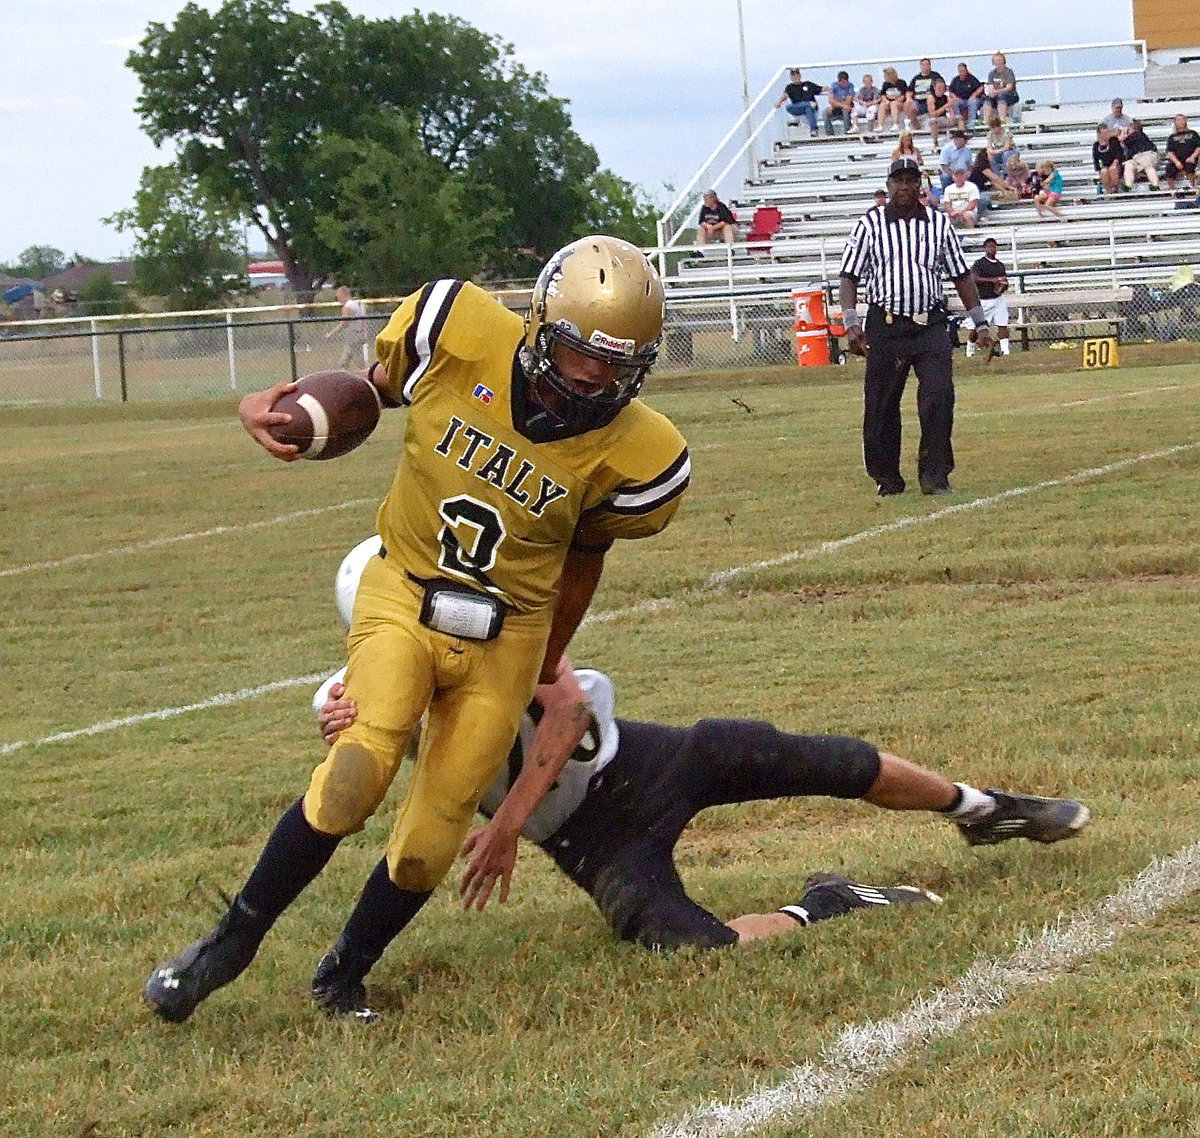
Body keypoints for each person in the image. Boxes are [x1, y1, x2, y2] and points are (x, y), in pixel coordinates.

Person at [142, 235, 692, 1024]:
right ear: (542, 324)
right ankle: (226, 945)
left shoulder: (643, 454)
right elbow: (370, 393)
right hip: (404, 589)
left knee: (431, 842)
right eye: (582, 354)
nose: (596, 378)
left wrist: (548, 657)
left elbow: (587, 553)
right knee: (355, 774)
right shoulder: (456, 327)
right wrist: (290, 408)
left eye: (618, 365)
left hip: (507, 635)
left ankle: (343, 975)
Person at [311, 539, 1089, 1012]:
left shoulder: (494, 622)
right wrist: (348, 738)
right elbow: (371, 786)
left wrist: (507, 825)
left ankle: (982, 808)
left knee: (830, 761)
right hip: (592, 843)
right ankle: (827, 902)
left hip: (647, 760)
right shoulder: (360, 695)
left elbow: (569, 711)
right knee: (692, 947)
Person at [839, 157, 992, 497]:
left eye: (911, 180)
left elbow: (960, 275)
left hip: (929, 323)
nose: (905, 187)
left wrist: (980, 321)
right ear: (889, 185)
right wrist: (851, 321)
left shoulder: (938, 224)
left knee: (939, 396)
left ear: (920, 185)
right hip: (885, 323)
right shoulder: (869, 224)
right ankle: (887, 478)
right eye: (898, 181)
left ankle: (935, 475)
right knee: (881, 404)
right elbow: (849, 275)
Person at [968, 237, 1012, 357]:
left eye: (994, 247)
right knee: (976, 328)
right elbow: (974, 278)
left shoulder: (999, 265)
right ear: (985, 249)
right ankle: (970, 350)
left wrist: (1002, 286)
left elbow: (1004, 281)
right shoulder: (979, 263)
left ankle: (1005, 351)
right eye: (989, 247)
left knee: (1002, 325)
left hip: (998, 299)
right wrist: (992, 280)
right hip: (984, 300)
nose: (992, 249)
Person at [324, 285, 368, 369]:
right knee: (344, 360)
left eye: (338, 296)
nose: (338, 299)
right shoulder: (356, 304)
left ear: (343, 295)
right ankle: (342, 370)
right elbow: (362, 321)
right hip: (356, 334)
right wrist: (364, 332)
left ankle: (368, 373)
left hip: (353, 336)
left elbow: (344, 324)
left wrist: (331, 334)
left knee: (359, 361)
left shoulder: (347, 307)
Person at [775, 68, 825, 135]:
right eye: (793, 76)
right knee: (788, 107)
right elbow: (785, 96)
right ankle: (808, 104)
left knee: (808, 108)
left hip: (810, 108)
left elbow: (821, 89)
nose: (795, 77)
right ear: (791, 77)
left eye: (797, 75)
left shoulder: (808, 84)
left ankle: (814, 130)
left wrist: (831, 90)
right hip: (798, 107)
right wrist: (779, 102)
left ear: (800, 75)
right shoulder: (789, 87)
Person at [1164, 114, 1200, 192]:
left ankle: (1192, 186)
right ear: (1175, 122)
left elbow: (1198, 147)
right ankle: (1172, 190)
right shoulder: (1172, 137)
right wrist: (1176, 162)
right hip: (1178, 160)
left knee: (1190, 165)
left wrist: (1193, 157)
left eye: (1182, 119)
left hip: (1191, 158)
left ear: (1185, 121)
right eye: (1178, 120)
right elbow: (1170, 152)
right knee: (1169, 168)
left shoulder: (1193, 133)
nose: (1180, 121)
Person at [1121, 120, 1160, 191]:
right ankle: (1128, 186)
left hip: (1146, 154)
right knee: (1129, 165)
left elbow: (1125, 141)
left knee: (1147, 165)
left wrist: (1122, 136)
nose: (1128, 131)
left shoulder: (1138, 134)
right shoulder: (1132, 140)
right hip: (1136, 158)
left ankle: (1155, 185)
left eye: (1129, 130)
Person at [906, 58, 945, 127]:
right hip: (919, 101)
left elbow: (942, 87)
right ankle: (916, 127)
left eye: (927, 64)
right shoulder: (916, 78)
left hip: (932, 100)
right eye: (923, 65)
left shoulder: (935, 76)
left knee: (931, 102)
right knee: (908, 106)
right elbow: (909, 90)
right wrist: (908, 98)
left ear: (930, 65)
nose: (925, 66)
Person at [982, 52, 1018, 121]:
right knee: (987, 98)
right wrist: (991, 92)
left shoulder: (1008, 72)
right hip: (996, 94)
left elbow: (1009, 87)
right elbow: (991, 86)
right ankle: (986, 120)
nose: (997, 62)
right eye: (995, 60)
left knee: (1001, 96)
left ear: (1003, 61)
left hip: (1010, 95)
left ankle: (1002, 120)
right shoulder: (991, 73)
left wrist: (997, 91)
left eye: (999, 60)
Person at [948, 62, 984, 128]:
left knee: (972, 102)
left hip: (971, 99)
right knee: (955, 103)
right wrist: (955, 97)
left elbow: (980, 87)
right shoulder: (955, 80)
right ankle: (959, 122)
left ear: (966, 70)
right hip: (961, 100)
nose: (962, 73)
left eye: (963, 71)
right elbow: (950, 91)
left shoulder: (971, 78)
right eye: (960, 71)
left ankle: (971, 123)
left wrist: (974, 94)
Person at [1092, 124, 1124, 195]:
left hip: (1116, 164)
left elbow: (1119, 155)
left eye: (1107, 132)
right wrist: (1099, 169)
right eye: (1104, 133)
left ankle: (1115, 189)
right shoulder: (1096, 145)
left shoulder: (1113, 141)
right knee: (1104, 172)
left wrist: (1115, 163)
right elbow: (1096, 160)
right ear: (1099, 134)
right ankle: (1108, 191)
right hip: (1105, 166)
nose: (1107, 135)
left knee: (1113, 169)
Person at [824, 70, 856, 135]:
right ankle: (830, 133)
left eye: (846, 82)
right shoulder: (834, 86)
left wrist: (836, 102)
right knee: (825, 112)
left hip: (845, 107)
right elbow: (830, 100)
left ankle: (847, 132)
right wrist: (840, 104)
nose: (844, 84)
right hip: (837, 107)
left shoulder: (850, 86)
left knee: (846, 110)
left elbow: (848, 101)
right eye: (842, 82)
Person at [925, 78, 954, 147]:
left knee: (959, 118)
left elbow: (951, 111)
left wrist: (952, 116)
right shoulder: (931, 98)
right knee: (933, 121)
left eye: (943, 87)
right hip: (936, 119)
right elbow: (933, 114)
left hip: (944, 119)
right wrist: (946, 106)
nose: (941, 89)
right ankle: (935, 142)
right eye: (939, 88)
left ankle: (962, 137)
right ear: (934, 88)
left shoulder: (946, 98)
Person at [877, 68, 908, 132]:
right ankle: (880, 125)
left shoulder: (901, 82)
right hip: (888, 102)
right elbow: (882, 95)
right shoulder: (885, 84)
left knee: (893, 104)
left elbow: (903, 95)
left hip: (899, 103)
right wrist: (886, 101)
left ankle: (895, 124)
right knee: (882, 105)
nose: (884, 77)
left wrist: (896, 101)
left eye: (885, 76)